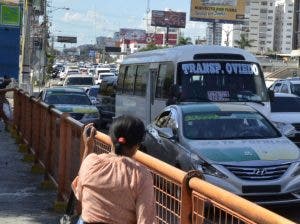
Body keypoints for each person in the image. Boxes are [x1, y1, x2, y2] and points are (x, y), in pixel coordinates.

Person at [72, 116, 156, 224]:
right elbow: (145, 220)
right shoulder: (141, 175)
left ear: (111, 138)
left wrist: (88, 147)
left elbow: (79, 194)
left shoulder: (90, 162)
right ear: (137, 145)